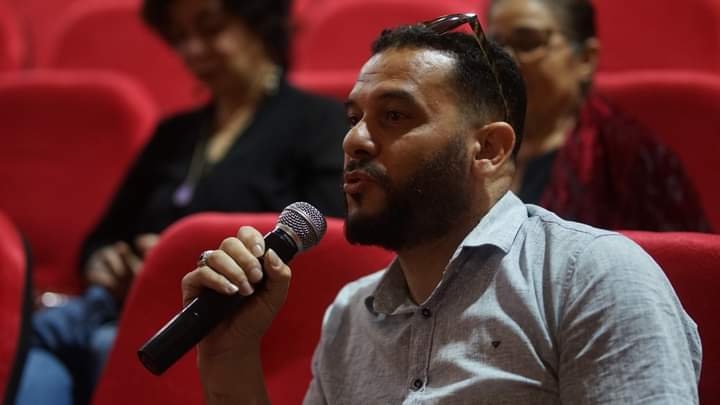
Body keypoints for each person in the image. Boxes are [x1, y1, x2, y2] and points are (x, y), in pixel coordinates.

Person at [181, 16, 701, 404]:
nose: (354, 140)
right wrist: (230, 359)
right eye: (354, 117)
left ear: (489, 149)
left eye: (393, 115)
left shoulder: (591, 278)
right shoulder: (350, 314)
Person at [14, 0, 347, 404]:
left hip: (198, 321)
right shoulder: (173, 133)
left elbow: (319, 246)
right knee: (25, 351)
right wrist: (106, 262)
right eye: (180, 37)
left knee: (105, 348)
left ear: (259, 25)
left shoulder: (320, 124)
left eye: (211, 28)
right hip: (110, 307)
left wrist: (172, 264)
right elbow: (102, 237)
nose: (192, 50)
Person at [485, 0, 711, 232]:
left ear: (586, 58)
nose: (507, 59)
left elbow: (680, 250)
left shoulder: (628, 156)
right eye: (495, 45)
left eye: (528, 43)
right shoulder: (476, 139)